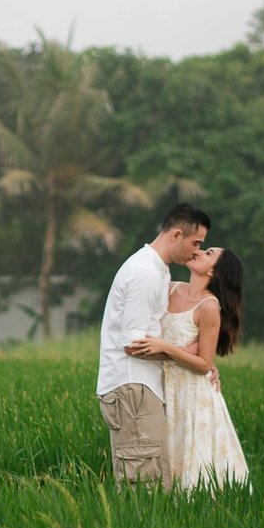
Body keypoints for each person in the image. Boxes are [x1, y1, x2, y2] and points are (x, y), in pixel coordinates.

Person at [95, 202, 209, 486]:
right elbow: (134, 345)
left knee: (155, 480)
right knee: (145, 486)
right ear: (176, 235)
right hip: (132, 387)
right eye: (196, 243)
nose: (197, 251)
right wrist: (188, 355)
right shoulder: (145, 272)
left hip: (141, 386)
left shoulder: (159, 270)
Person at [126, 246, 250, 492]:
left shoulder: (208, 307)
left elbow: (204, 365)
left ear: (214, 272)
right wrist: (184, 349)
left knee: (191, 453)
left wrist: (167, 347)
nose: (200, 251)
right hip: (162, 383)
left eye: (208, 253)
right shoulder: (170, 288)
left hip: (191, 391)